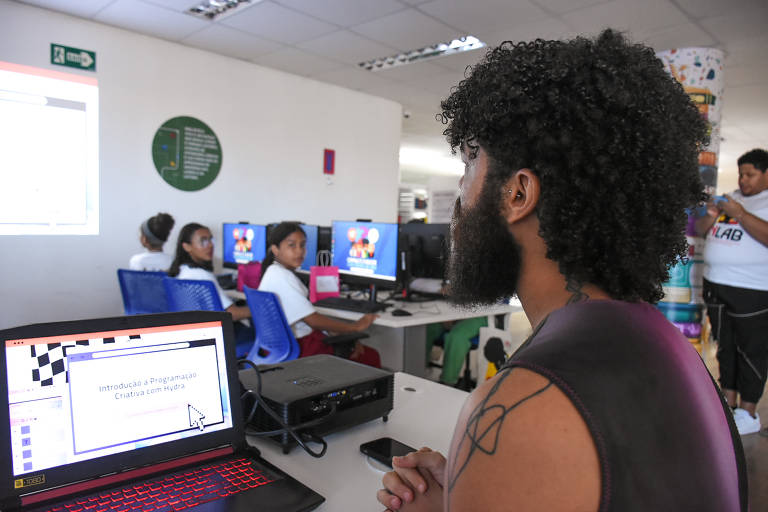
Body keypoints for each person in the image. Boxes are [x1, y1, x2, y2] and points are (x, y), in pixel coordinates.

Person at [376, 30, 747, 511]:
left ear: (518, 194)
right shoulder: (668, 342)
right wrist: (481, 485)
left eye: (469, 163)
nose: (460, 194)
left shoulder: (518, 404)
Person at [695, 148, 768, 435]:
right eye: (741, 173)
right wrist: (712, 215)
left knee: (751, 350)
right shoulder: (733, 196)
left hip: (752, 288)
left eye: (750, 174)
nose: (743, 179)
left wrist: (741, 214)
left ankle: (748, 413)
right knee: (724, 346)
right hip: (717, 283)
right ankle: (728, 403)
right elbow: (701, 230)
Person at [258, 222, 381, 368]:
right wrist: (355, 327)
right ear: (275, 249)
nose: (299, 251)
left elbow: (309, 320)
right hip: (300, 350)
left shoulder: (273, 272)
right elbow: (313, 321)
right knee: (371, 356)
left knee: (351, 343)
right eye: (292, 245)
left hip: (280, 349)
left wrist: (345, 336)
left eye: (303, 245)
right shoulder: (282, 277)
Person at [168, 223, 253, 355]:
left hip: (195, 336)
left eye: (211, 239)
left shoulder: (179, 271)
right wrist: (259, 308)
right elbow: (233, 314)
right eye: (203, 241)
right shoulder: (203, 275)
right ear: (186, 246)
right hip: (219, 338)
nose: (210, 245)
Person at [426, 317, 486, 388]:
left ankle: (448, 382)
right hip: (450, 312)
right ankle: (417, 372)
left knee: (456, 336)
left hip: (482, 314)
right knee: (424, 329)